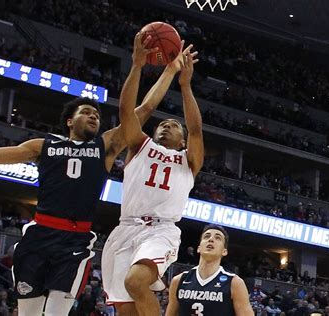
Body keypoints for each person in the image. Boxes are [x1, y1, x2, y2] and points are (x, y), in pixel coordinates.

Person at [0, 55, 177, 316]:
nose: (93, 117)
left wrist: (167, 70)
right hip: (39, 234)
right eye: (86, 113)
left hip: (75, 241)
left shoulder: (104, 147)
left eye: (97, 115)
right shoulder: (44, 145)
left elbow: (144, 109)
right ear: (69, 121)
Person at [101, 33, 204, 316]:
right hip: (124, 229)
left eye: (174, 125)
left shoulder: (188, 159)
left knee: (135, 281)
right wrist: (137, 65)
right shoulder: (139, 146)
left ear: (182, 140)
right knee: (126, 311)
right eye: (163, 123)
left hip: (160, 229)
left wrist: (185, 86)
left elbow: (196, 129)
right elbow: (127, 112)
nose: (166, 125)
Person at [165, 225, 253, 316]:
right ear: (199, 248)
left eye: (218, 238)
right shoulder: (179, 281)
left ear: (224, 251)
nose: (211, 239)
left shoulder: (234, 283)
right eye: (207, 236)